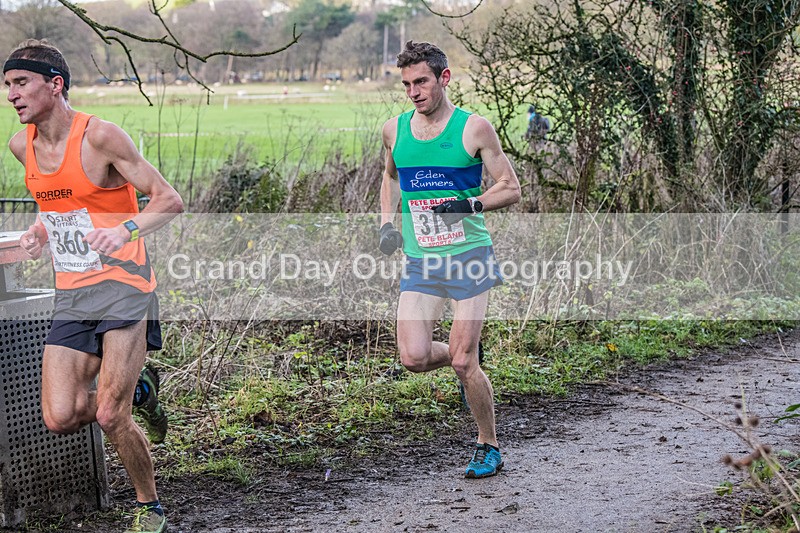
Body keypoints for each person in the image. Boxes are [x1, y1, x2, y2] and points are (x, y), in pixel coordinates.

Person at [4, 39, 183, 533]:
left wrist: (123, 229)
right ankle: (143, 390)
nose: (12, 96)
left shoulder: (101, 137)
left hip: (126, 285)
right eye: (7, 86)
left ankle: (149, 508)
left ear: (55, 85)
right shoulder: (23, 146)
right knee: (62, 416)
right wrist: (40, 231)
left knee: (108, 414)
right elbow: (55, 200)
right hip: (74, 292)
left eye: (21, 83)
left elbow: (168, 200)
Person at [379, 41, 521, 478]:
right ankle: (471, 364)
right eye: (406, 84)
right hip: (422, 261)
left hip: (469, 258)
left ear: (443, 78)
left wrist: (469, 205)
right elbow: (389, 179)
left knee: (462, 360)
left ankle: (488, 445)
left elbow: (510, 187)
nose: (413, 92)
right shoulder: (393, 130)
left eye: (421, 81)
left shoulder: (473, 129)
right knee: (414, 357)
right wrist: (387, 224)